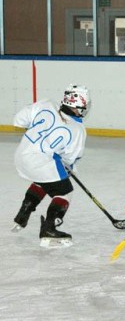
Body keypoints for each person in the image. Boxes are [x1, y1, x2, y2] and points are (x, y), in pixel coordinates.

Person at [12, 84, 91, 248]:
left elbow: (18, 120)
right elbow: (70, 161)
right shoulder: (77, 129)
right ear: (78, 106)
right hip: (40, 161)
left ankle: (23, 214)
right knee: (65, 192)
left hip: (22, 155)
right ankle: (49, 229)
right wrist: (67, 169)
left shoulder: (46, 104)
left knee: (46, 179)